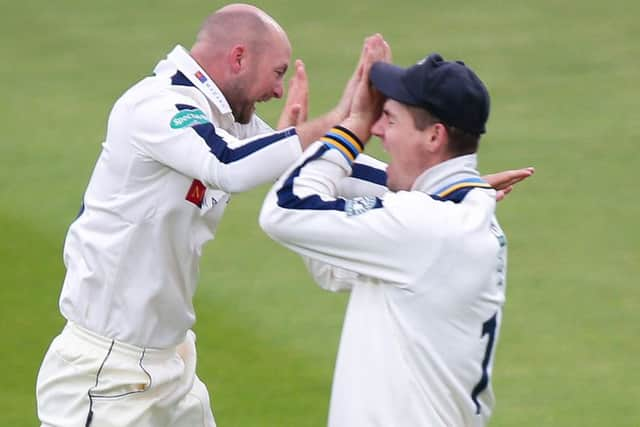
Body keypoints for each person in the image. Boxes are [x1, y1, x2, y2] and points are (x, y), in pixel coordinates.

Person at [34, 4, 379, 427]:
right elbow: (228, 165)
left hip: (171, 365)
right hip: (106, 374)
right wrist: (341, 120)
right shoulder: (157, 105)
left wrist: (431, 185)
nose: (278, 91)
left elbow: (312, 166)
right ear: (238, 58)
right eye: (276, 72)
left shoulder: (225, 119)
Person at [260, 46, 529, 426]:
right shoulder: (458, 217)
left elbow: (284, 210)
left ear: (434, 137)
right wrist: (293, 159)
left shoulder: (426, 227)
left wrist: (349, 126)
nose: (376, 130)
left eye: (388, 118)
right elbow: (332, 268)